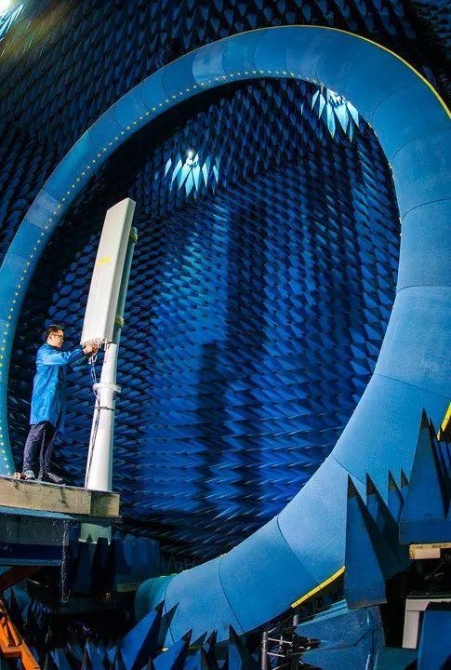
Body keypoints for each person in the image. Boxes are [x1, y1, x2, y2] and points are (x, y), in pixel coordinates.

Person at [22, 324, 97, 484]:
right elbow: (64, 358)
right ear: (51, 336)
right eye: (60, 337)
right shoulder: (45, 352)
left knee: (50, 438)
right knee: (36, 434)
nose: (62, 340)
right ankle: (27, 468)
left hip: (56, 402)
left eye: (63, 337)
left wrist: (88, 355)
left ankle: (45, 472)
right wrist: (83, 351)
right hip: (44, 400)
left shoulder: (57, 354)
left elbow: (74, 365)